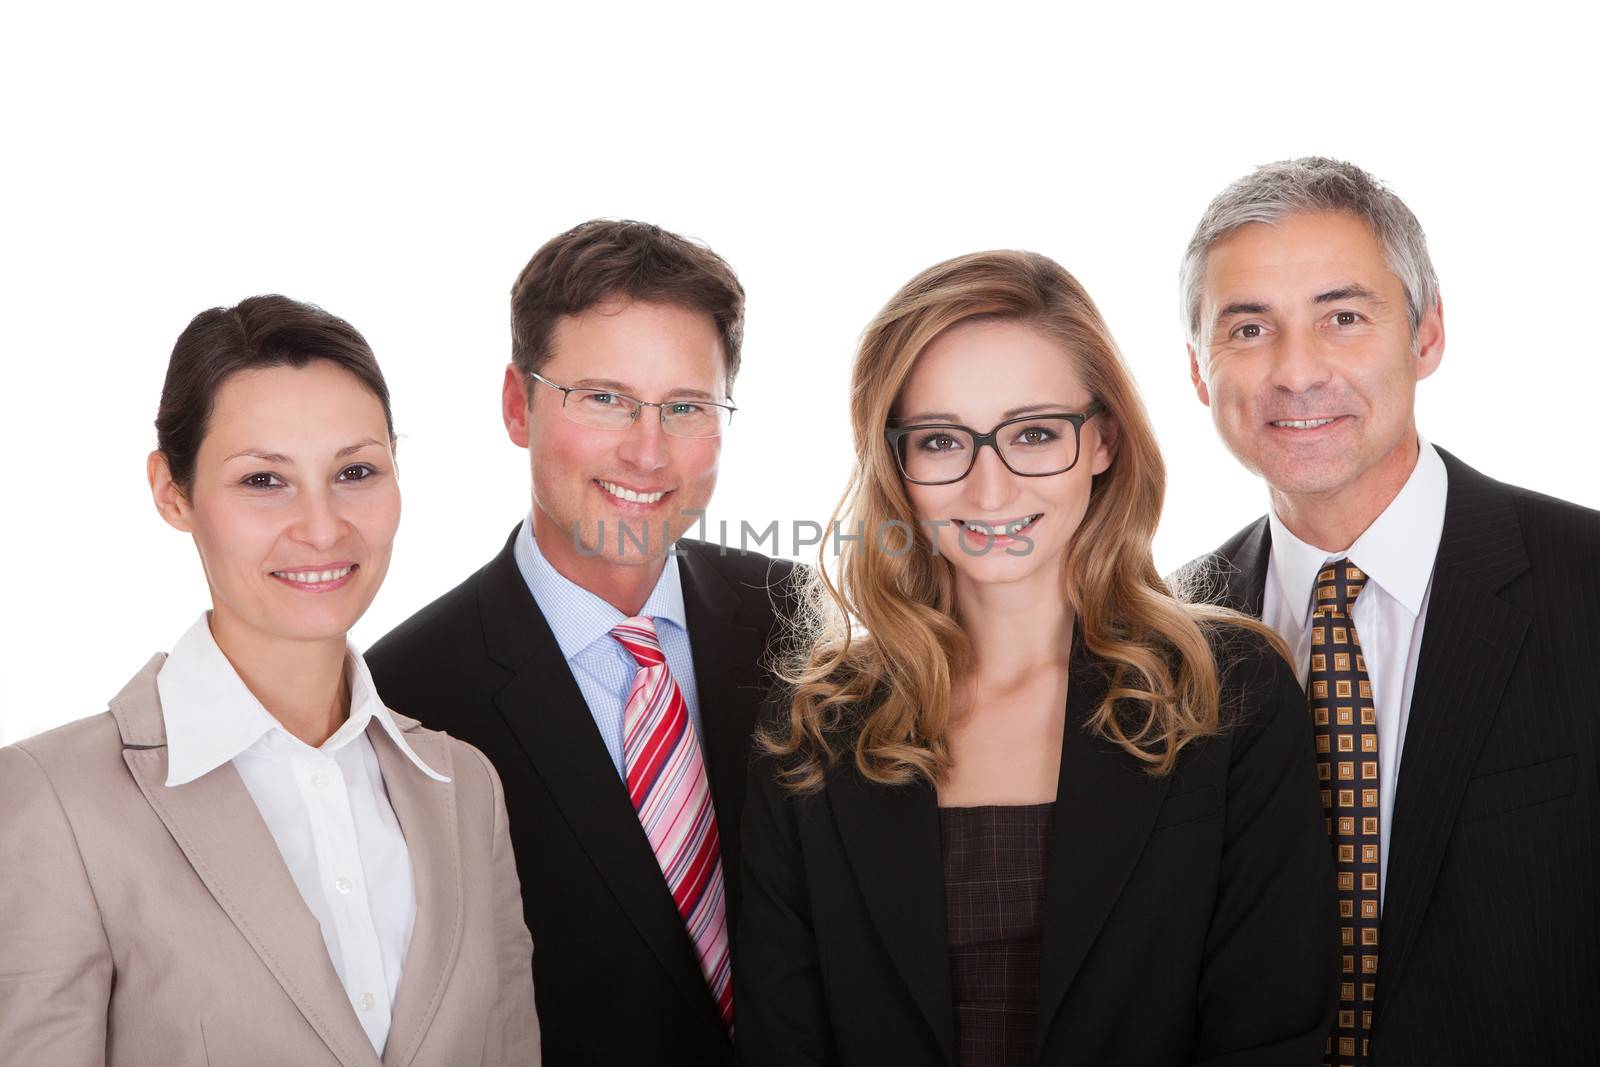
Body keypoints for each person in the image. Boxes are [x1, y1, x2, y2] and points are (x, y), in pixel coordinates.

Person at [737, 250, 1337, 1066]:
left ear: (1103, 440)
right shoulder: (817, 725)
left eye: (1034, 433)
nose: (991, 490)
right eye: (944, 440)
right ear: (895, 462)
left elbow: (1267, 1034)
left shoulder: (1229, 691)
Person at [0, 295, 539, 1066]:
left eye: (355, 471)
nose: (322, 526)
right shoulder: (52, 802)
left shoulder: (465, 788)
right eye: (263, 480)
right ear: (172, 492)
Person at [1178, 156, 1600, 1066]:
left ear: (1428, 333)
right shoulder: (1166, 638)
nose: (1296, 372)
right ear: (1198, 372)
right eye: (1249, 328)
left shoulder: (1587, 582)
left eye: (1343, 317)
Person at [366, 220, 798, 1067]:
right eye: (603, 397)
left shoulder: (800, 620)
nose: (647, 449)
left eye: (686, 406)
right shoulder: (403, 698)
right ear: (517, 405)